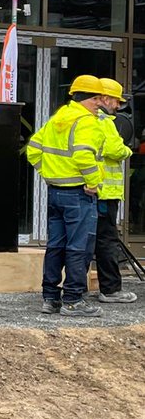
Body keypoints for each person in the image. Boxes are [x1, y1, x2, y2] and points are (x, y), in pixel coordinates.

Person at [26, 74, 104, 318]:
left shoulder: (59, 118)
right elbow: (83, 156)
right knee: (78, 248)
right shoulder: (87, 122)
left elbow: (33, 150)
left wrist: (49, 173)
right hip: (79, 194)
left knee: (56, 245)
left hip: (55, 191)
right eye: (98, 98)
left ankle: (50, 298)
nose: (100, 103)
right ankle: (73, 300)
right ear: (90, 99)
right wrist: (93, 183)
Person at [94, 78, 136, 304]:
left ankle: (75, 288)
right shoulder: (104, 121)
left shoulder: (88, 119)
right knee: (107, 240)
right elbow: (114, 149)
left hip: (94, 190)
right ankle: (110, 289)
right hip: (104, 192)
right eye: (116, 101)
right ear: (105, 98)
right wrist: (127, 151)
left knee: (87, 239)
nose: (118, 107)